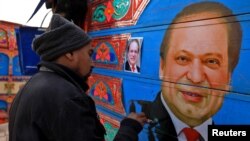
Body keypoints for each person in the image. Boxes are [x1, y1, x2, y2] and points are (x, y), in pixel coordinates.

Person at [8, 14, 147, 141]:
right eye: (89, 53)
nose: (92, 62)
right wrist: (130, 127)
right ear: (70, 53)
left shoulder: (31, 85)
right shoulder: (67, 99)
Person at [138, 1, 242, 141]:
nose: (196, 77)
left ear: (229, 77)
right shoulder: (136, 121)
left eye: (211, 61)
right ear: (162, 67)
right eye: (183, 58)